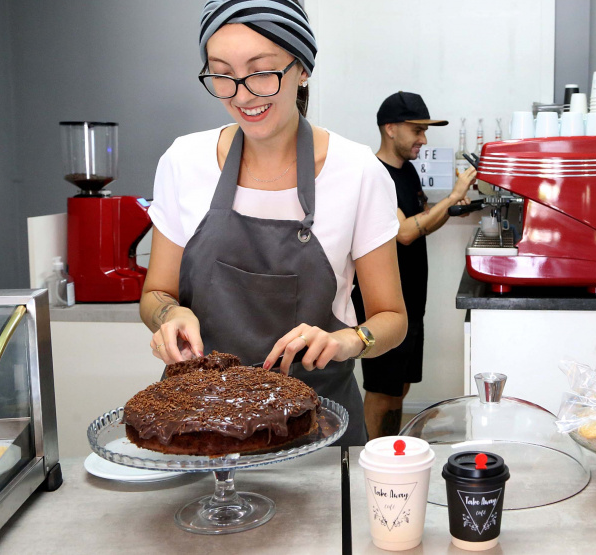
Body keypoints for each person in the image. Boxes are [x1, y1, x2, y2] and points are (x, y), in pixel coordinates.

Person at [139, 0, 408, 446]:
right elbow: (155, 295)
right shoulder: (183, 162)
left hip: (316, 424)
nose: (242, 95)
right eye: (222, 73)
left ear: (302, 68)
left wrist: (349, 340)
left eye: (262, 71)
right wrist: (171, 314)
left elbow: (392, 318)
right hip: (198, 428)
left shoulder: (358, 171)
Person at [352, 91, 477, 440]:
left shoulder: (406, 171)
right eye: (417, 130)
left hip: (410, 300)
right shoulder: (374, 175)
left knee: (401, 385)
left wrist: (452, 209)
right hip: (382, 303)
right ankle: (374, 455)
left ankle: (393, 446)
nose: (423, 139)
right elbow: (405, 233)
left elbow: (419, 223)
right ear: (390, 129)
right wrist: (452, 196)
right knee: (382, 389)